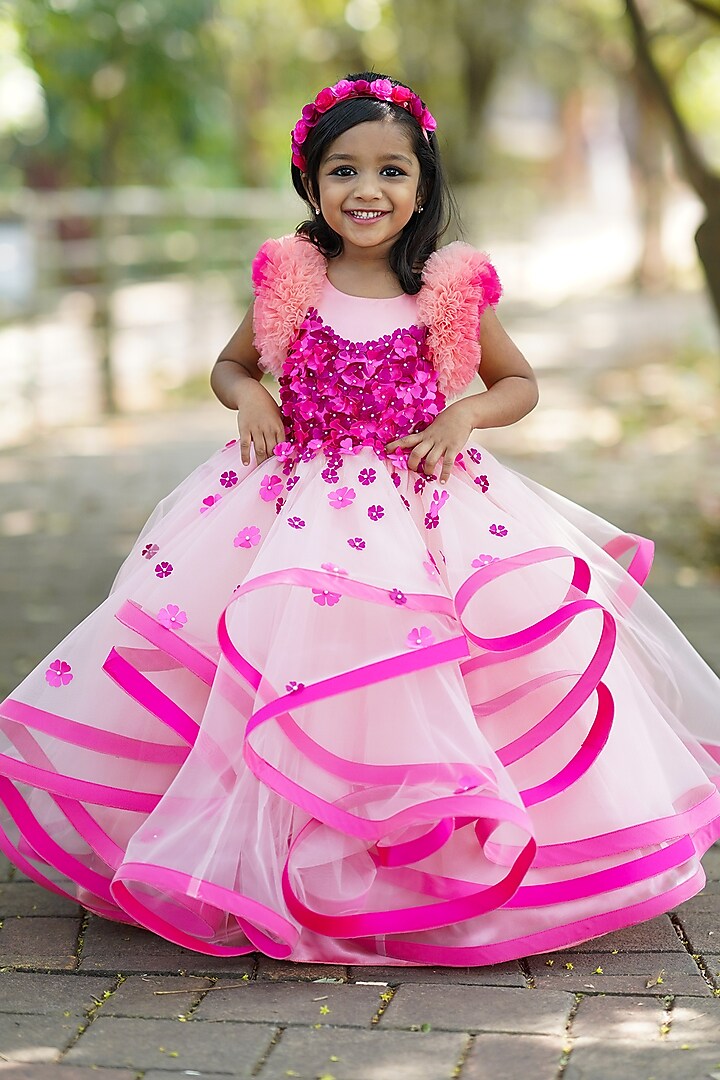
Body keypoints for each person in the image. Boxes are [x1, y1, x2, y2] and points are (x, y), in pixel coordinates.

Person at [1, 72, 719, 968]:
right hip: (287, 510)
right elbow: (229, 365)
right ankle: (263, 854)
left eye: (391, 171)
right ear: (311, 183)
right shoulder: (290, 279)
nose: (367, 191)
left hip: (424, 508)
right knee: (280, 670)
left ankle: (408, 859)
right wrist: (247, 397)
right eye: (343, 171)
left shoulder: (449, 291)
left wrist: (463, 416)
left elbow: (519, 383)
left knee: (418, 674)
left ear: (423, 185)